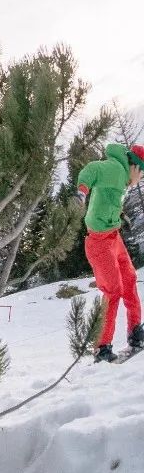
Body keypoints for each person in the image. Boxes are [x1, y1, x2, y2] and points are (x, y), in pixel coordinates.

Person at [76, 142, 144, 362]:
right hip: (99, 243)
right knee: (113, 291)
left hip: (113, 237)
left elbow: (108, 197)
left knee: (130, 279)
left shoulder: (123, 177)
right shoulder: (115, 169)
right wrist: (81, 192)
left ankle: (135, 332)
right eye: (142, 175)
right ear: (135, 167)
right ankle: (101, 346)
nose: (140, 180)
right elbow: (92, 170)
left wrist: (119, 215)